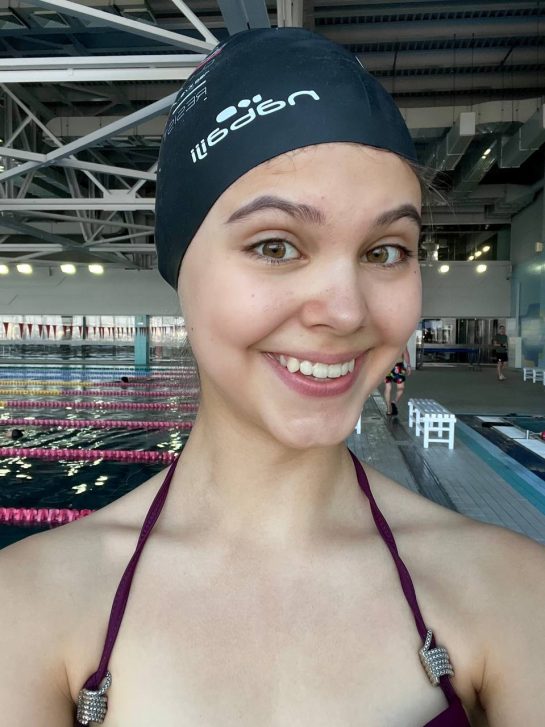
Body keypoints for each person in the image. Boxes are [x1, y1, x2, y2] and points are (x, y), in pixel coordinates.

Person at [0, 29, 544, 727]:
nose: (345, 311)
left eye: (385, 251)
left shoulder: (512, 590)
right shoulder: (30, 606)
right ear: (181, 270)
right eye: (276, 245)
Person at [384, 346, 411, 415]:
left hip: (387, 366)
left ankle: (389, 409)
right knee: (400, 388)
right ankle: (393, 402)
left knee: (388, 388)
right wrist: (408, 366)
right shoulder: (401, 341)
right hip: (398, 367)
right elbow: (406, 354)